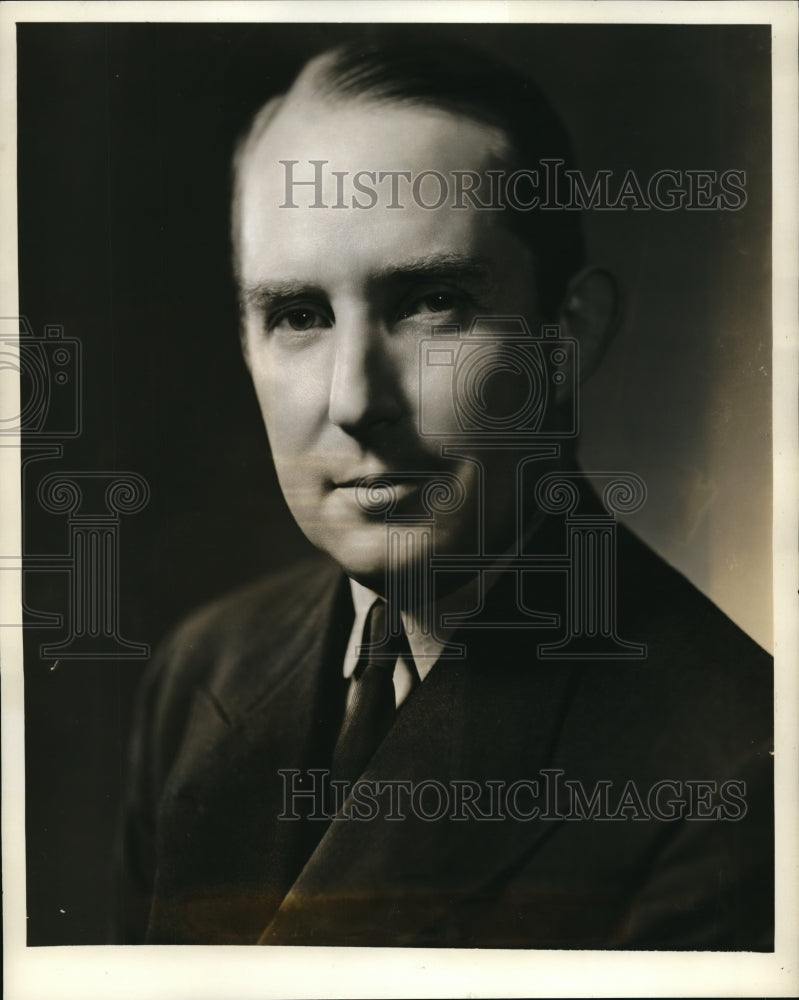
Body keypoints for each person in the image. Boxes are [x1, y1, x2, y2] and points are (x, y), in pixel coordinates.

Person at [116, 35, 773, 949]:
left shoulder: (738, 773)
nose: (354, 400)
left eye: (429, 303)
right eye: (297, 316)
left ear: (565, 338)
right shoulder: (204, 667)